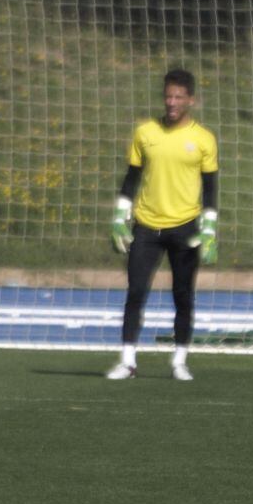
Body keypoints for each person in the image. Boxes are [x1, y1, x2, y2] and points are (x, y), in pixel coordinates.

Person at [106, 68, 219, 382]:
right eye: (168, 96)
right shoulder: (145, 132)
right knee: (136, 291)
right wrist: (119, 216)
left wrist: (209, 228)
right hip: (146, 225)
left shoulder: (203, 139)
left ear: (191, 100)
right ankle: (128, 361)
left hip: (186, 227)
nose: (172, 102)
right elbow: (131, 178)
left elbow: (210, 187)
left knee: (183, 295)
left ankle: (179, 361)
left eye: (178, 97)